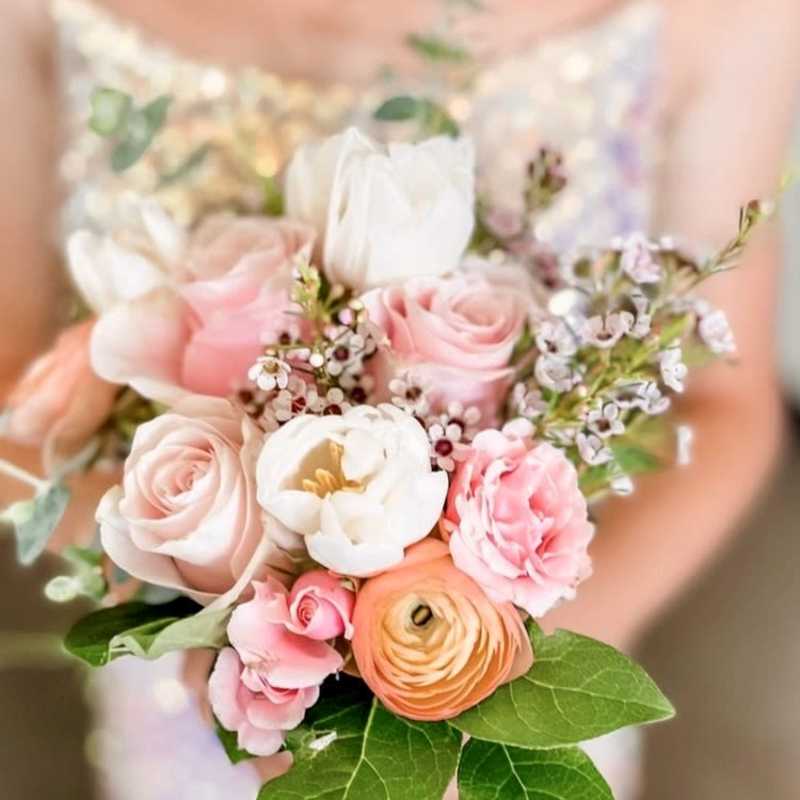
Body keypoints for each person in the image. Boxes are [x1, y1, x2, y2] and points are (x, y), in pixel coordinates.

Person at [1, 1, 798, 798]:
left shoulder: (726, 17)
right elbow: (13, 390)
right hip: (192, 680)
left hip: (538, 649)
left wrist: (494, 674)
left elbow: (720, 405)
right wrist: (208, 599)